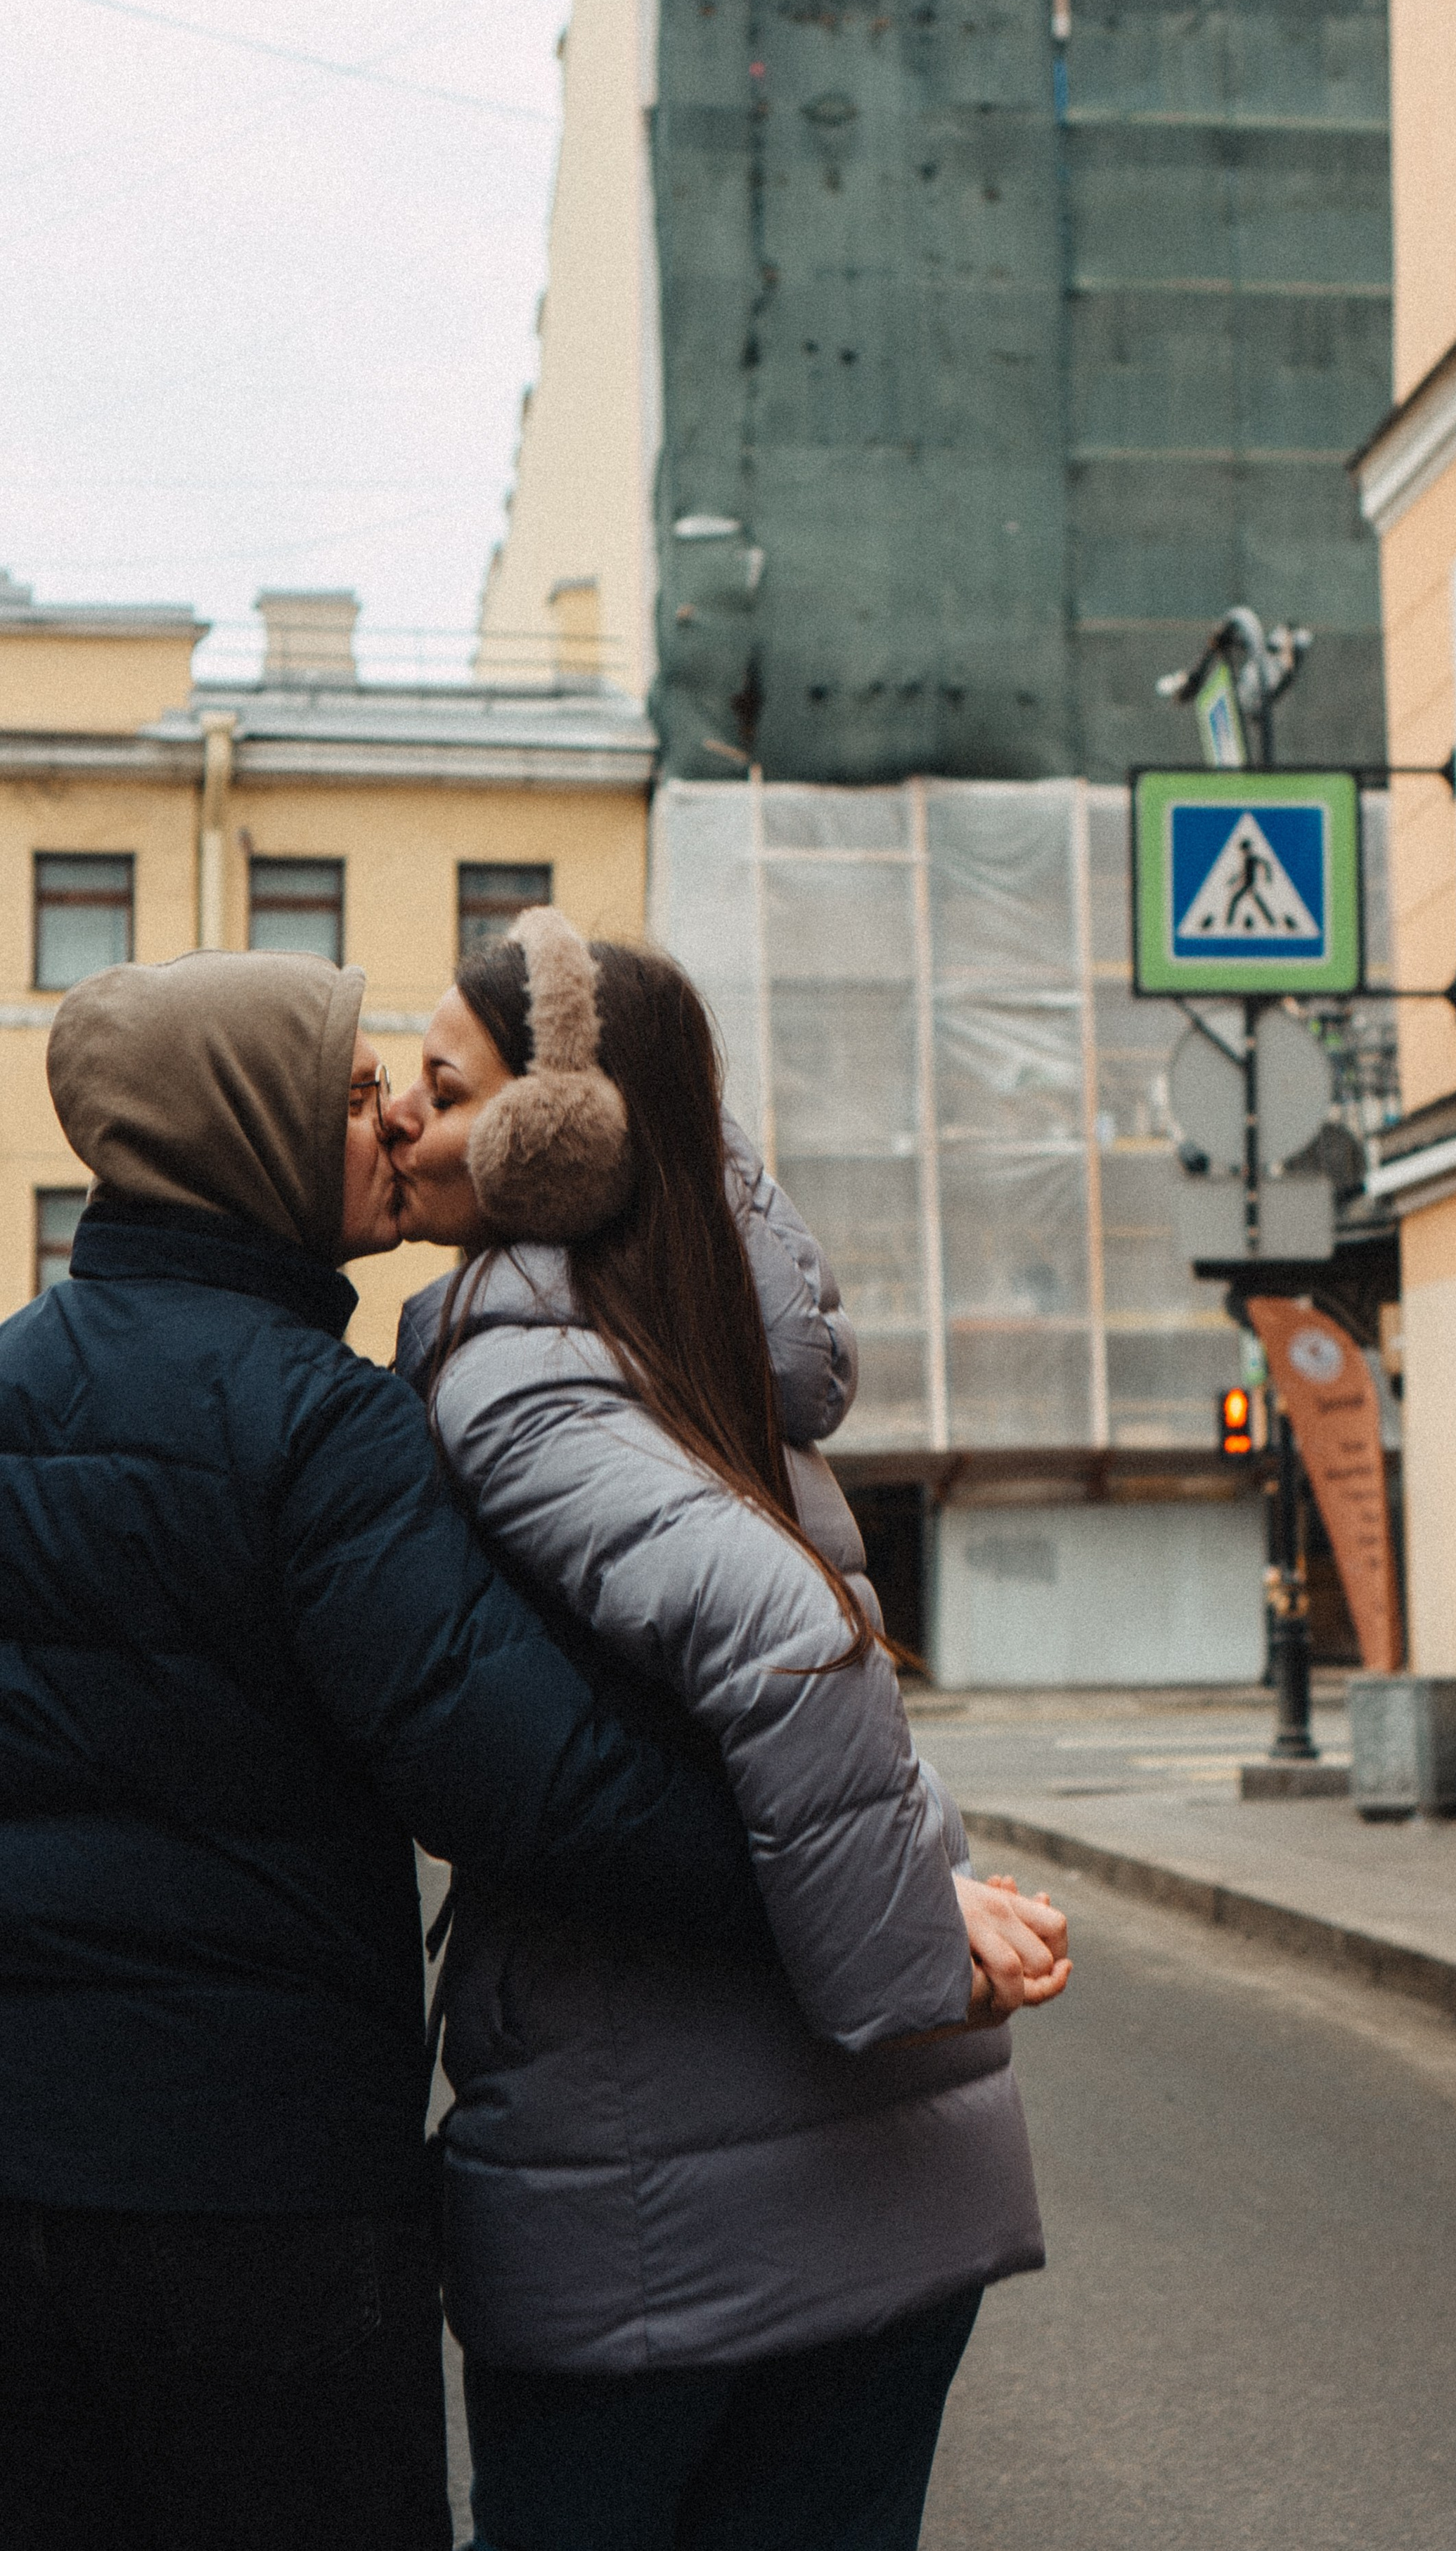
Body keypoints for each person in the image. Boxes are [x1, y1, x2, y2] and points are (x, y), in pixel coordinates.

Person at [0, 949, 789, 2551]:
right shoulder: (319, 1423)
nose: (397, 1136)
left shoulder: (7, 1382)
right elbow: (524, 1777)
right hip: (262, 2199)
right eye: (353, 1103)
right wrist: (812, 1877)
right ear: (245, 1141)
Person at [385, 907, 1069, 2551]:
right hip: (877, 2203)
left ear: (562, 1142)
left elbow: (782, 1644)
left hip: (660, 2229)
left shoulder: (522, 1366)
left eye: (444, 1088)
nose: (403, 1117)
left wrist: (901, 1960)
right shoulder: (685, 1340)